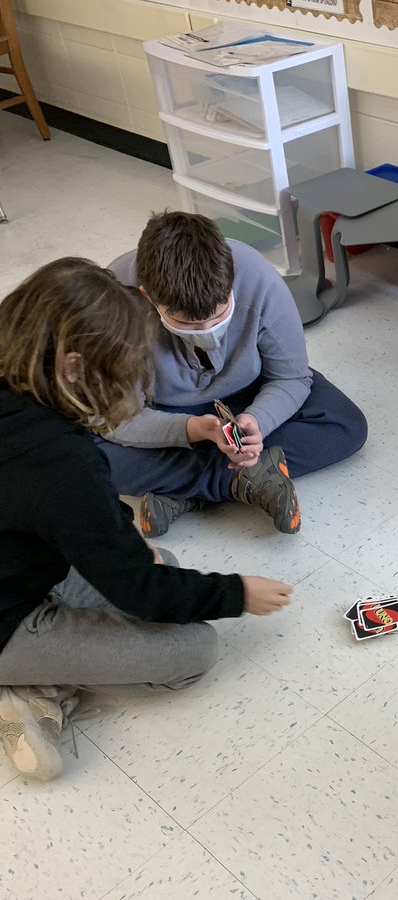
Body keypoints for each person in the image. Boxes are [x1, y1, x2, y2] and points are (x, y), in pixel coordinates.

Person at [0, 258, 294, 782]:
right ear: (72, 369)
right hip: (10, 613)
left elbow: (48, 503)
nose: (132, 391)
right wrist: (236, 592)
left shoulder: (25, 401)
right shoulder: (62, 461)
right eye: (125, 374)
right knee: (193, 649)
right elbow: (140, 589)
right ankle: (31, 688)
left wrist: (119, 537)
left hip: (20, 556)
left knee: (162, 559)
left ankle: (35, 675)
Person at [100, 211, 368, 538]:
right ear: (147, 296)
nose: (207, 331)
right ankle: (244, 480)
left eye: (219, 314)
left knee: (346, 424)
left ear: (230, 283)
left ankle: (181, 488)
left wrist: (258, 420)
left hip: (248, 393)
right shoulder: (111, 300)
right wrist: (192, 429)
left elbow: (291, 378)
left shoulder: (257, 278)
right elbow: (117, 419)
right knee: (90, 456)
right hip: (161, 412)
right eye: (186, 323)